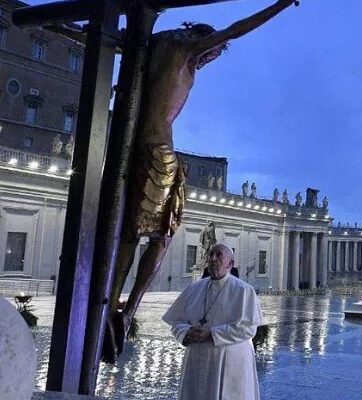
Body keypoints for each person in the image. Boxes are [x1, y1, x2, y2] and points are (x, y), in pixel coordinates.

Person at [103, 0, 299, 362]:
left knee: (130, 232)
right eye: (212, 55)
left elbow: (106, 43)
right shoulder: (185, 47)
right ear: (205, 43)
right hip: (158, 149)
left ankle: (108, 304)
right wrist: (281, 6)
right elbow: (238, 27)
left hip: (129, 143)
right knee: (160, 238)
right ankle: (126, 312)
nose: (208, 62)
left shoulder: (154, 44)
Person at [163, 244, 265, 400]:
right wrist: (185, 332)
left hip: (228, 361)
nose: (213, 259)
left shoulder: (244, 291)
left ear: (230, 264)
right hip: (196, 358)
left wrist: (212, 334)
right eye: (210, 255)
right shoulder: (194, 289)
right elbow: (176, 321)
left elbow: (248, 329)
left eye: (219, 255)